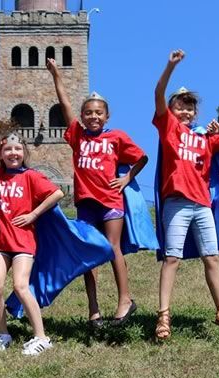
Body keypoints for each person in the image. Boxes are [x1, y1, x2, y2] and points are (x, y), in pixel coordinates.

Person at [46, 58, 148, 328]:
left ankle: (125, 300)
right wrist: (56, 74)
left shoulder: (116, 137)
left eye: (98, 113)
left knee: (113, 248)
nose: (93, 116)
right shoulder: (77, 135)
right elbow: (65, 103)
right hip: (86, 203)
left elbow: (142, 157)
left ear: (107, 116)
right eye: (88, 112)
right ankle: (94, 309)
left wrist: (127, 178)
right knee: (89, 253)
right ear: (82, 116)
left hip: (111, 201)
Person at [153, 49, 219, 340]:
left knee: (212, 258)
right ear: (171, 110)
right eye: (180, 106)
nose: (186, 111)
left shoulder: (204, 138)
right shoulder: (168, 129)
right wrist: (170, 67)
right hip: (177, 203)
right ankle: (163, 317)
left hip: (202, 204)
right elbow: (158, 93)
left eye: (190, 108)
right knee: (172, 259)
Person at [0, 103, 63, 355]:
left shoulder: (30, 176)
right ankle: (3, 334)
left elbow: (57, 193)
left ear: (24, 153)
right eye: (8, 149)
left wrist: (33, 214)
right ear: (1, 153)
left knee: (20, 286)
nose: (13, 153)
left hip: (22, 243)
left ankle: (41, 337)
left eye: (17, 149)